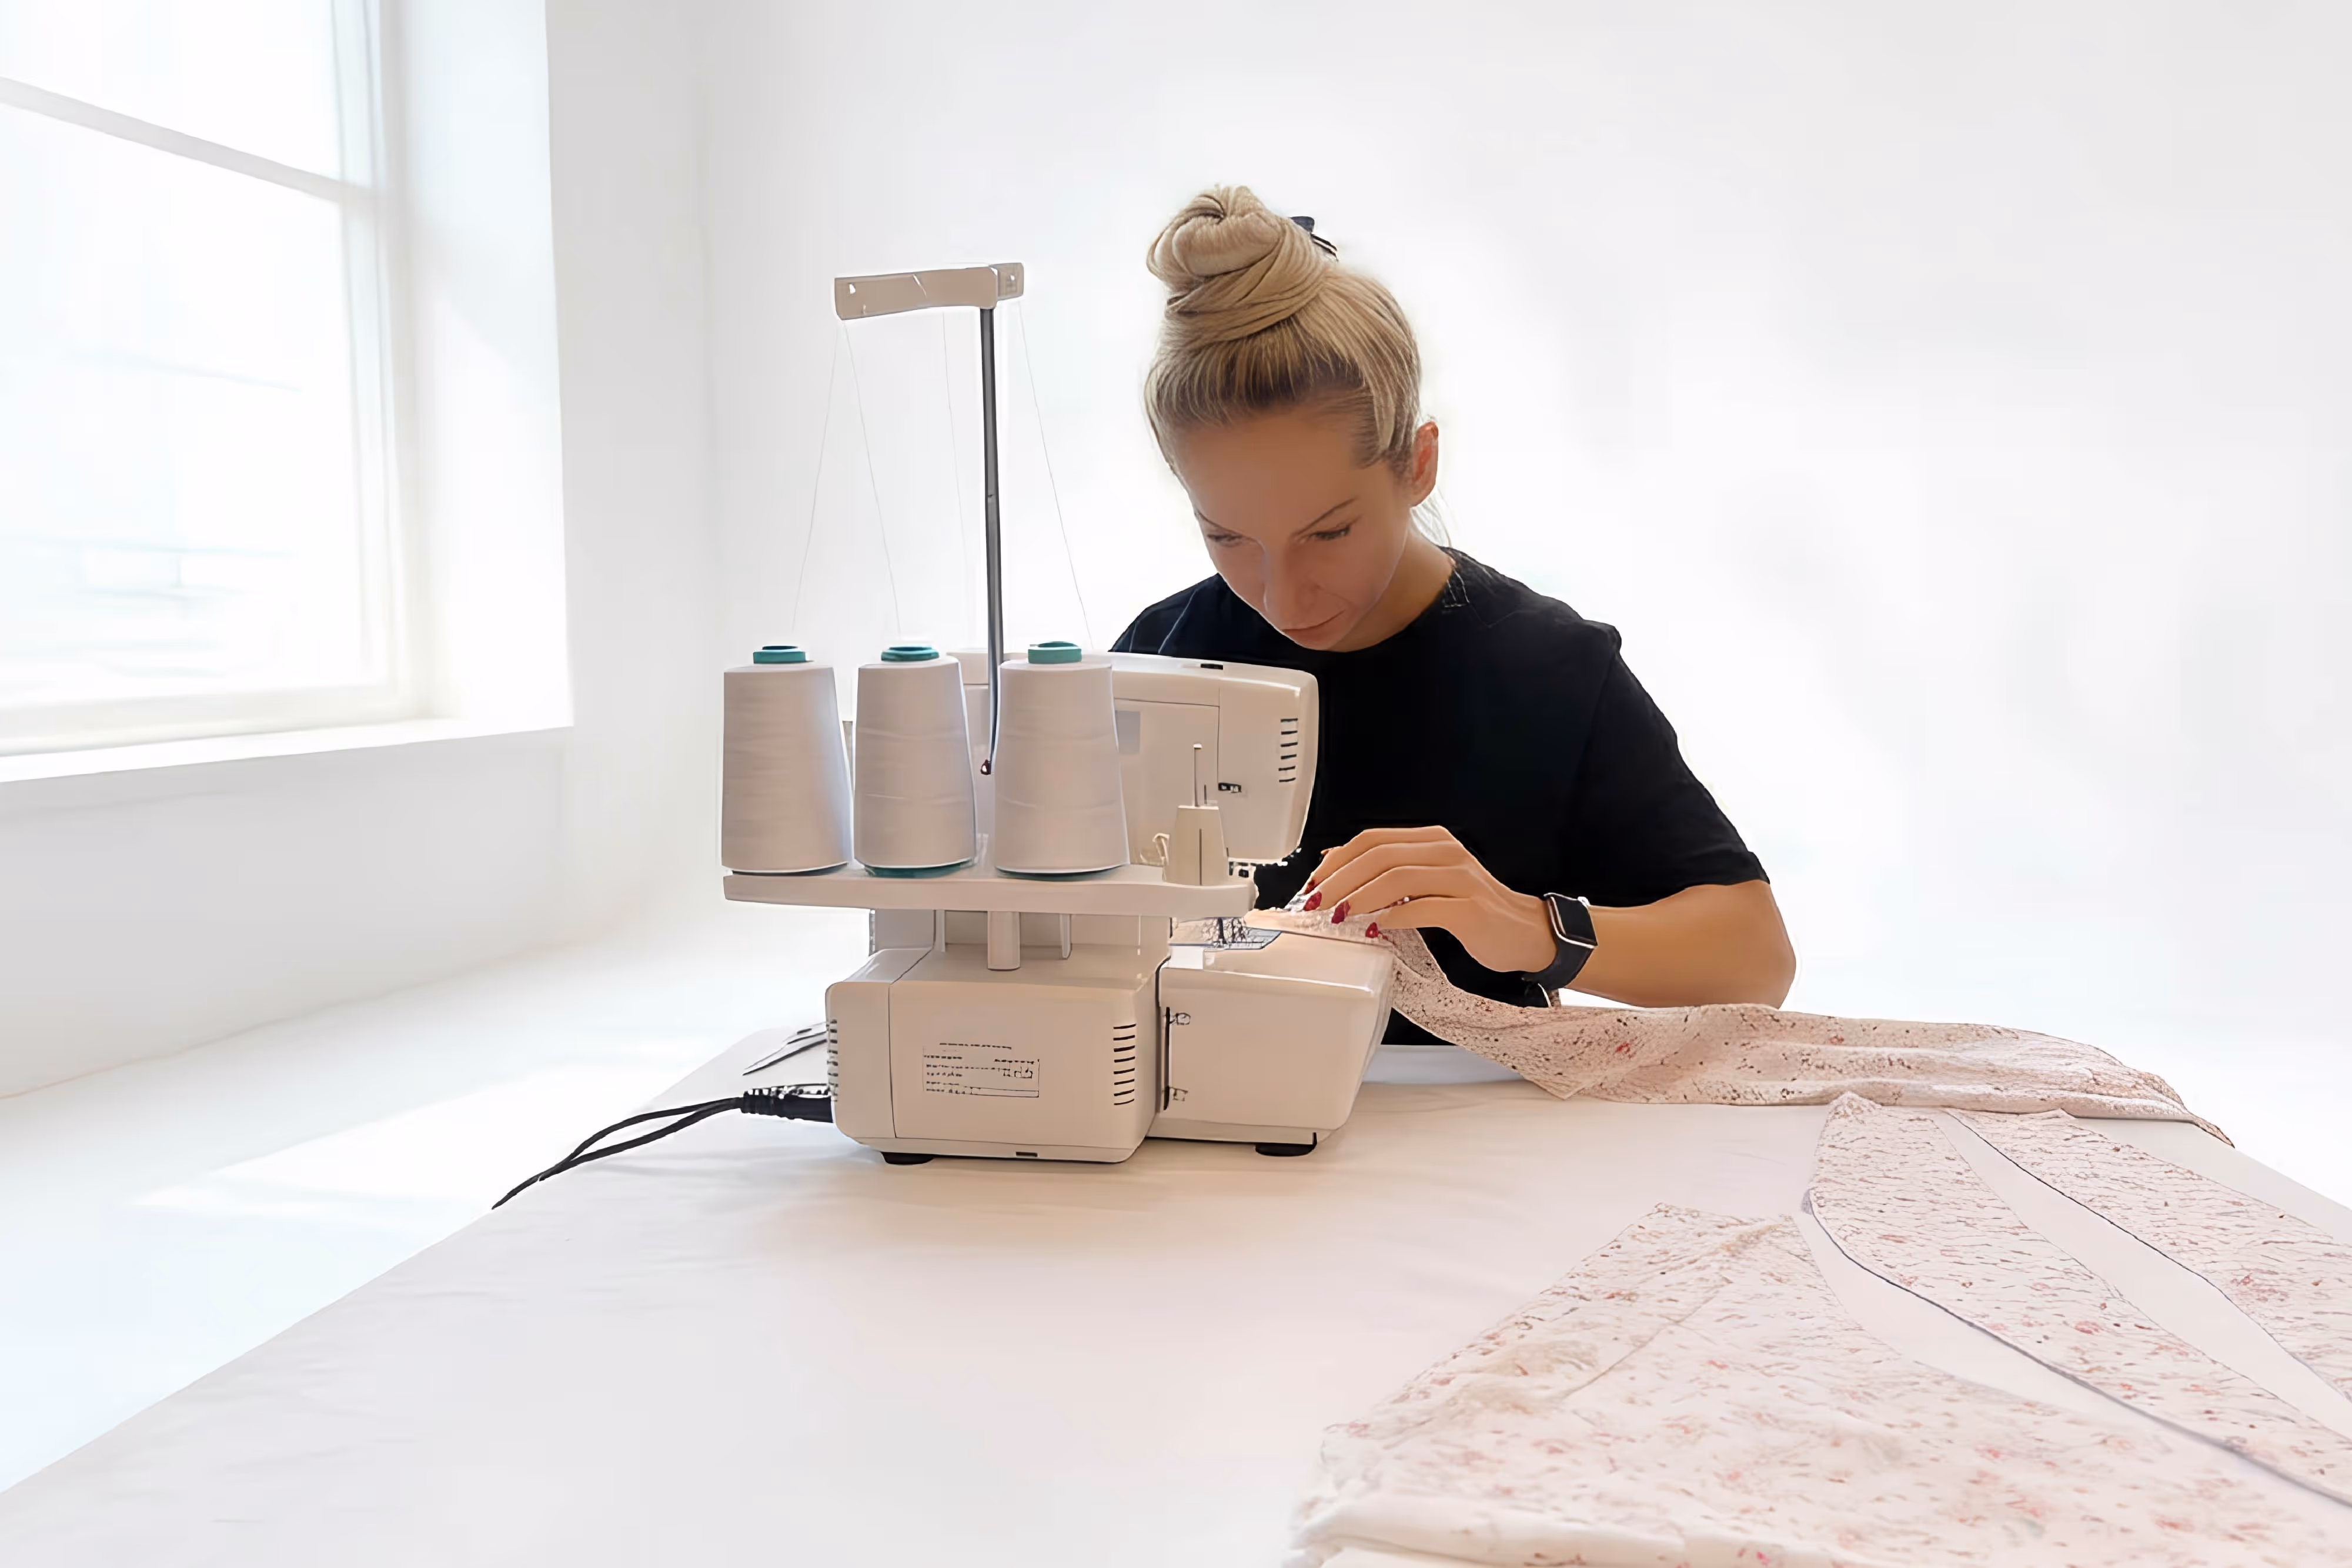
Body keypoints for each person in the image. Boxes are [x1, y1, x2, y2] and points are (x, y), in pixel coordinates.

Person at [1112, 185, 1795, 1034]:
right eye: (1227, 536)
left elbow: (1756, 959)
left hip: (1469, 1112)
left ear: (1418, 463)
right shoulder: (1159, 658)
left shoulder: (1547, 670)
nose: (1283, 598)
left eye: (1329, 532)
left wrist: (1524, 926)